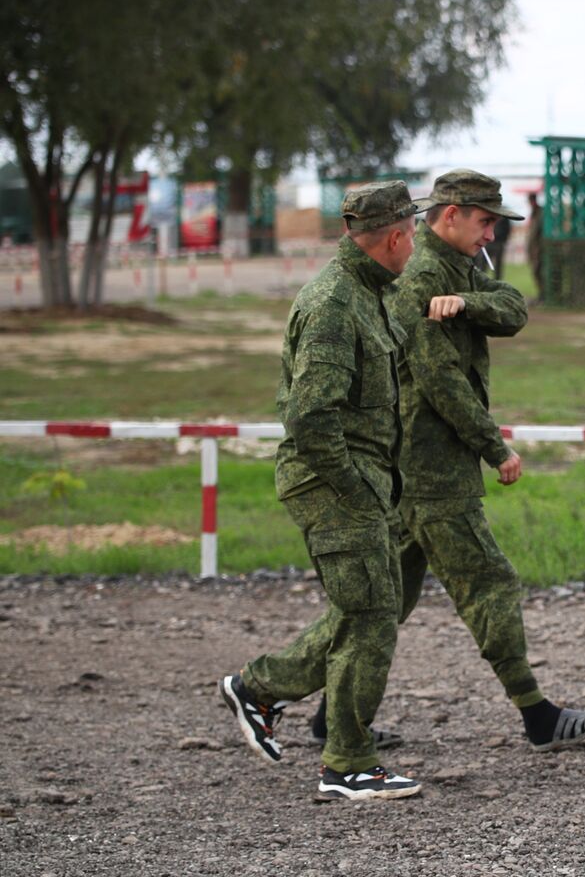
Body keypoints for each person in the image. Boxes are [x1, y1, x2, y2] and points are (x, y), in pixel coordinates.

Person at [219, 181, 437, 802]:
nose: (415, 241)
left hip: (355, 483)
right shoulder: (337, 303)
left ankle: (260, 690)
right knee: (371, 616)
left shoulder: (368, 294)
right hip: (333, 487)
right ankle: (347, 763)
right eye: (413, 232)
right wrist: (357, 489)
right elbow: (310, 418)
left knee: (364, 609)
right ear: (394, 237)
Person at [386, 169, 585, 752]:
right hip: (430, 463)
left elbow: (513, 308)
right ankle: (537, 714)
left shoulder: (463, 268)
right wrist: (496, 447)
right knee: (490, 583)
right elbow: (441, 382)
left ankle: (290, 698)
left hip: (419, 464)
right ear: (452, 213)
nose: (492, 233)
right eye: (485, 220)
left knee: (381, 600)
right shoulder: (421, 274)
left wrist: (465, 304)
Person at [479, 202, 513, 281]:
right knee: (483, 264)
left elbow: (508, 229)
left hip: (499, 243)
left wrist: (503, 240)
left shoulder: (504, 217)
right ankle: (481, 281)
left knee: (498, 265)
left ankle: (497, 281)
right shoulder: (487, 215)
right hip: (488, 244)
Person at [526, 191, 544, 292]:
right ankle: (541, 294)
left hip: (539, 249)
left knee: (539, 272)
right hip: (534, 249)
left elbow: (537, 234)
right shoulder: (534, 213)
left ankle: (543, 294)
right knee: (536, 272)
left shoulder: (540, 213)